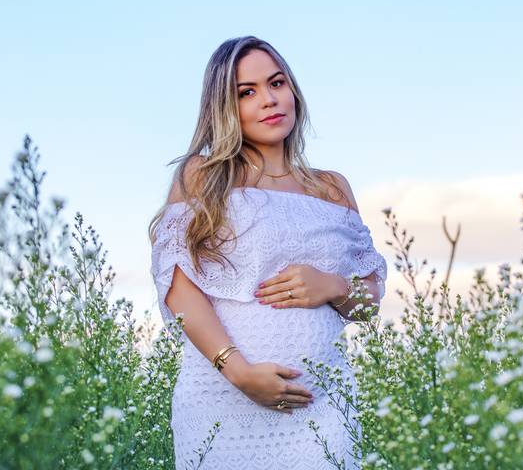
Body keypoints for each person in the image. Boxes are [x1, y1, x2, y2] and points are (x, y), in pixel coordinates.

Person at [148, 36, 387, 469]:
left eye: (277, 83)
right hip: (223, 400)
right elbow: (179, 286)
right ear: (224, 107)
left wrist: (332, 286)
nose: (269, 100)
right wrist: (239, 372)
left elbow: (368, 303)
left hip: (323, 405)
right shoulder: (203, 175)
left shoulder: (332, 188)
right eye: (247, 92)